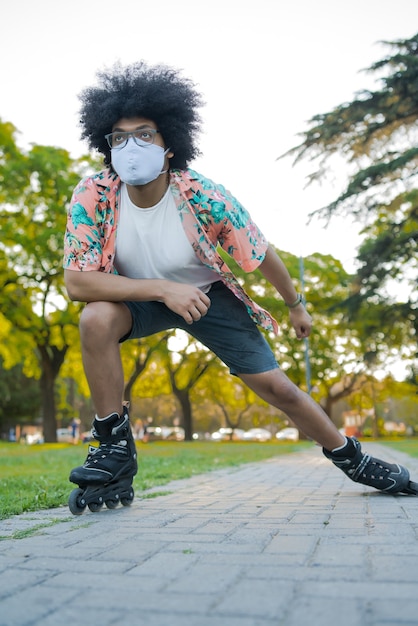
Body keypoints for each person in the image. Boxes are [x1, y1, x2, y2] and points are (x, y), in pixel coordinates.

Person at [63, 61, 416, 508]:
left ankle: (354, 459)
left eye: (145, 134)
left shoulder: (204, 196)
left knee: (278, 389)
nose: (131, 146)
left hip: (209, 299)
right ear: (106, 145)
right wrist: (162, 289)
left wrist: (295, 304)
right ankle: (113, 445)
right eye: (119, 137)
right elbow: (78, 282)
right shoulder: (93, 194)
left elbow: (260, 252)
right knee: (95, 318)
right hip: (141, 297)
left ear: (170, 143)